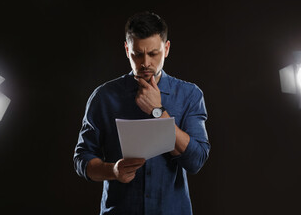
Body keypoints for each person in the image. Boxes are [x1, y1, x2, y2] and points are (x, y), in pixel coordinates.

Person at [73, 11, 210, 215]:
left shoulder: (190, 95)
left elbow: (196, 160)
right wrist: (113, 171)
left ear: (167, 49)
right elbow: (82, 158)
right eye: (137, 54)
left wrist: (158, 111)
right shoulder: (103, 96)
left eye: (153, 54)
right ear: (127, 49)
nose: (145, 62)